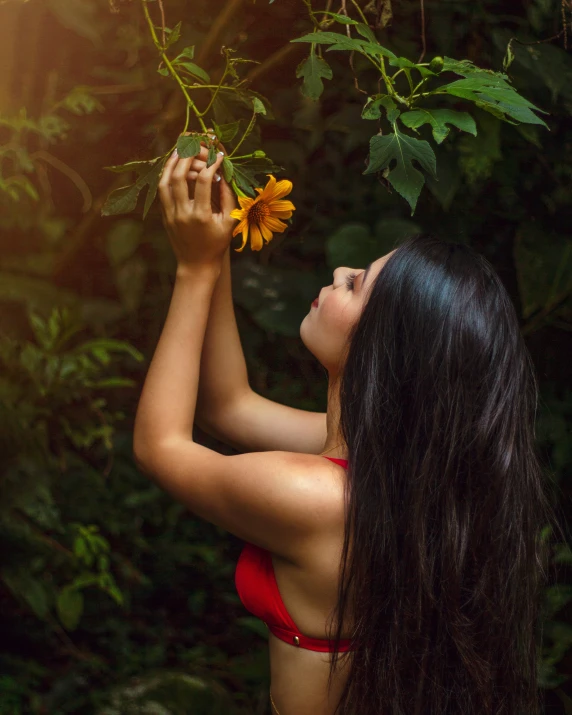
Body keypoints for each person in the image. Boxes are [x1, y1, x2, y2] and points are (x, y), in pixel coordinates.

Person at [133, 144, 561, 715]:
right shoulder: (391, 467)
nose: (339, 273)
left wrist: (194, 268)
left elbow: (160, 446)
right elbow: (228, 406)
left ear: (385, 350)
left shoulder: (318, 498)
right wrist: (219, 247)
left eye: (357, 285)